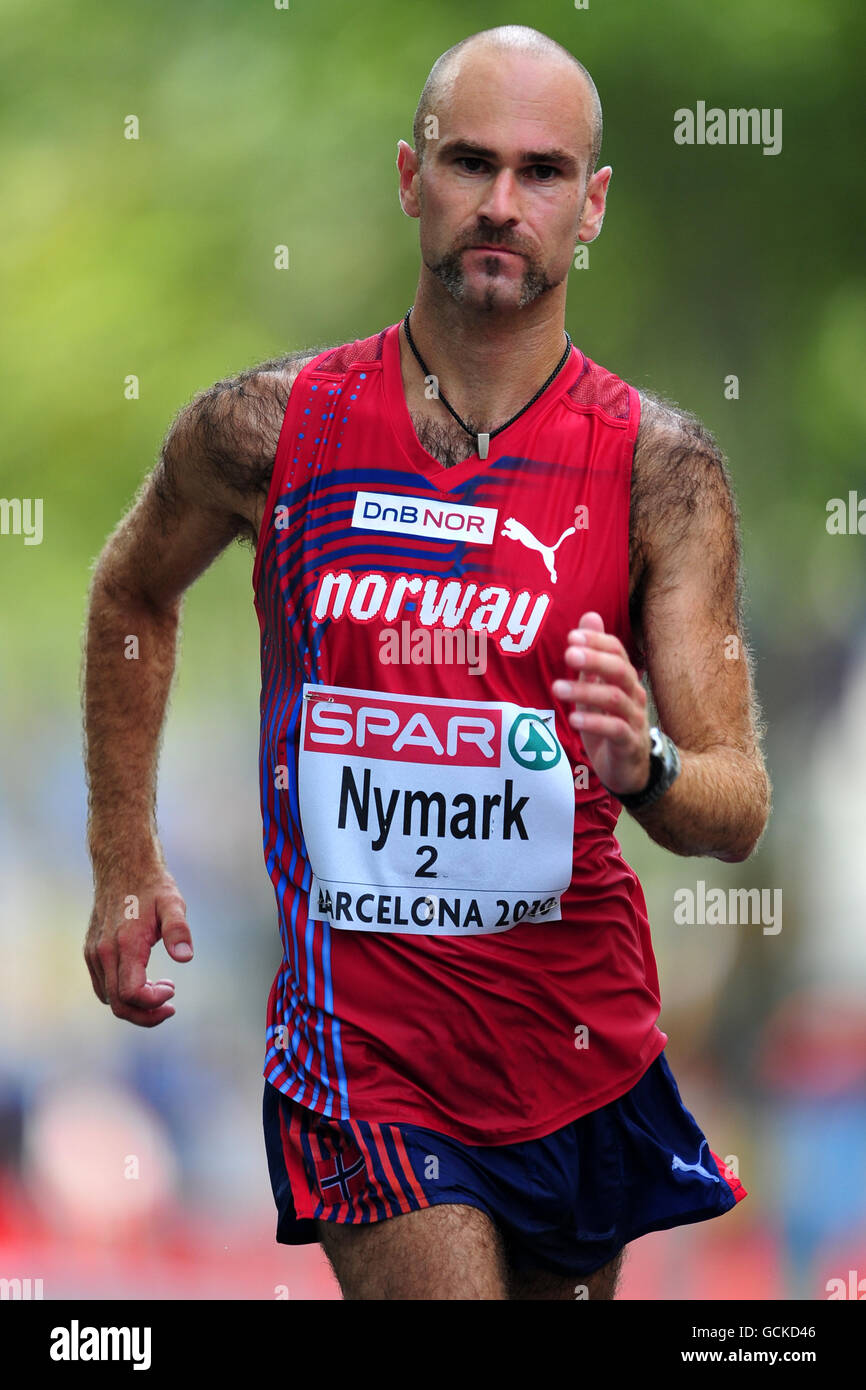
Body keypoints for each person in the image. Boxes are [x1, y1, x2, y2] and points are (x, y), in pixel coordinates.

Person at [82, 25, 769, 1300]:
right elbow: (130, 591)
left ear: (592, 203)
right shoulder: (271, 432)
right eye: (468, 162)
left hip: (573, 1046)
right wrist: (126, 857)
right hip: (362, 1055)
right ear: (410, 177)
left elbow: (733, 807)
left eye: (541, 171)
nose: (501, 202)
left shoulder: (657, 472)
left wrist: (647, 761)